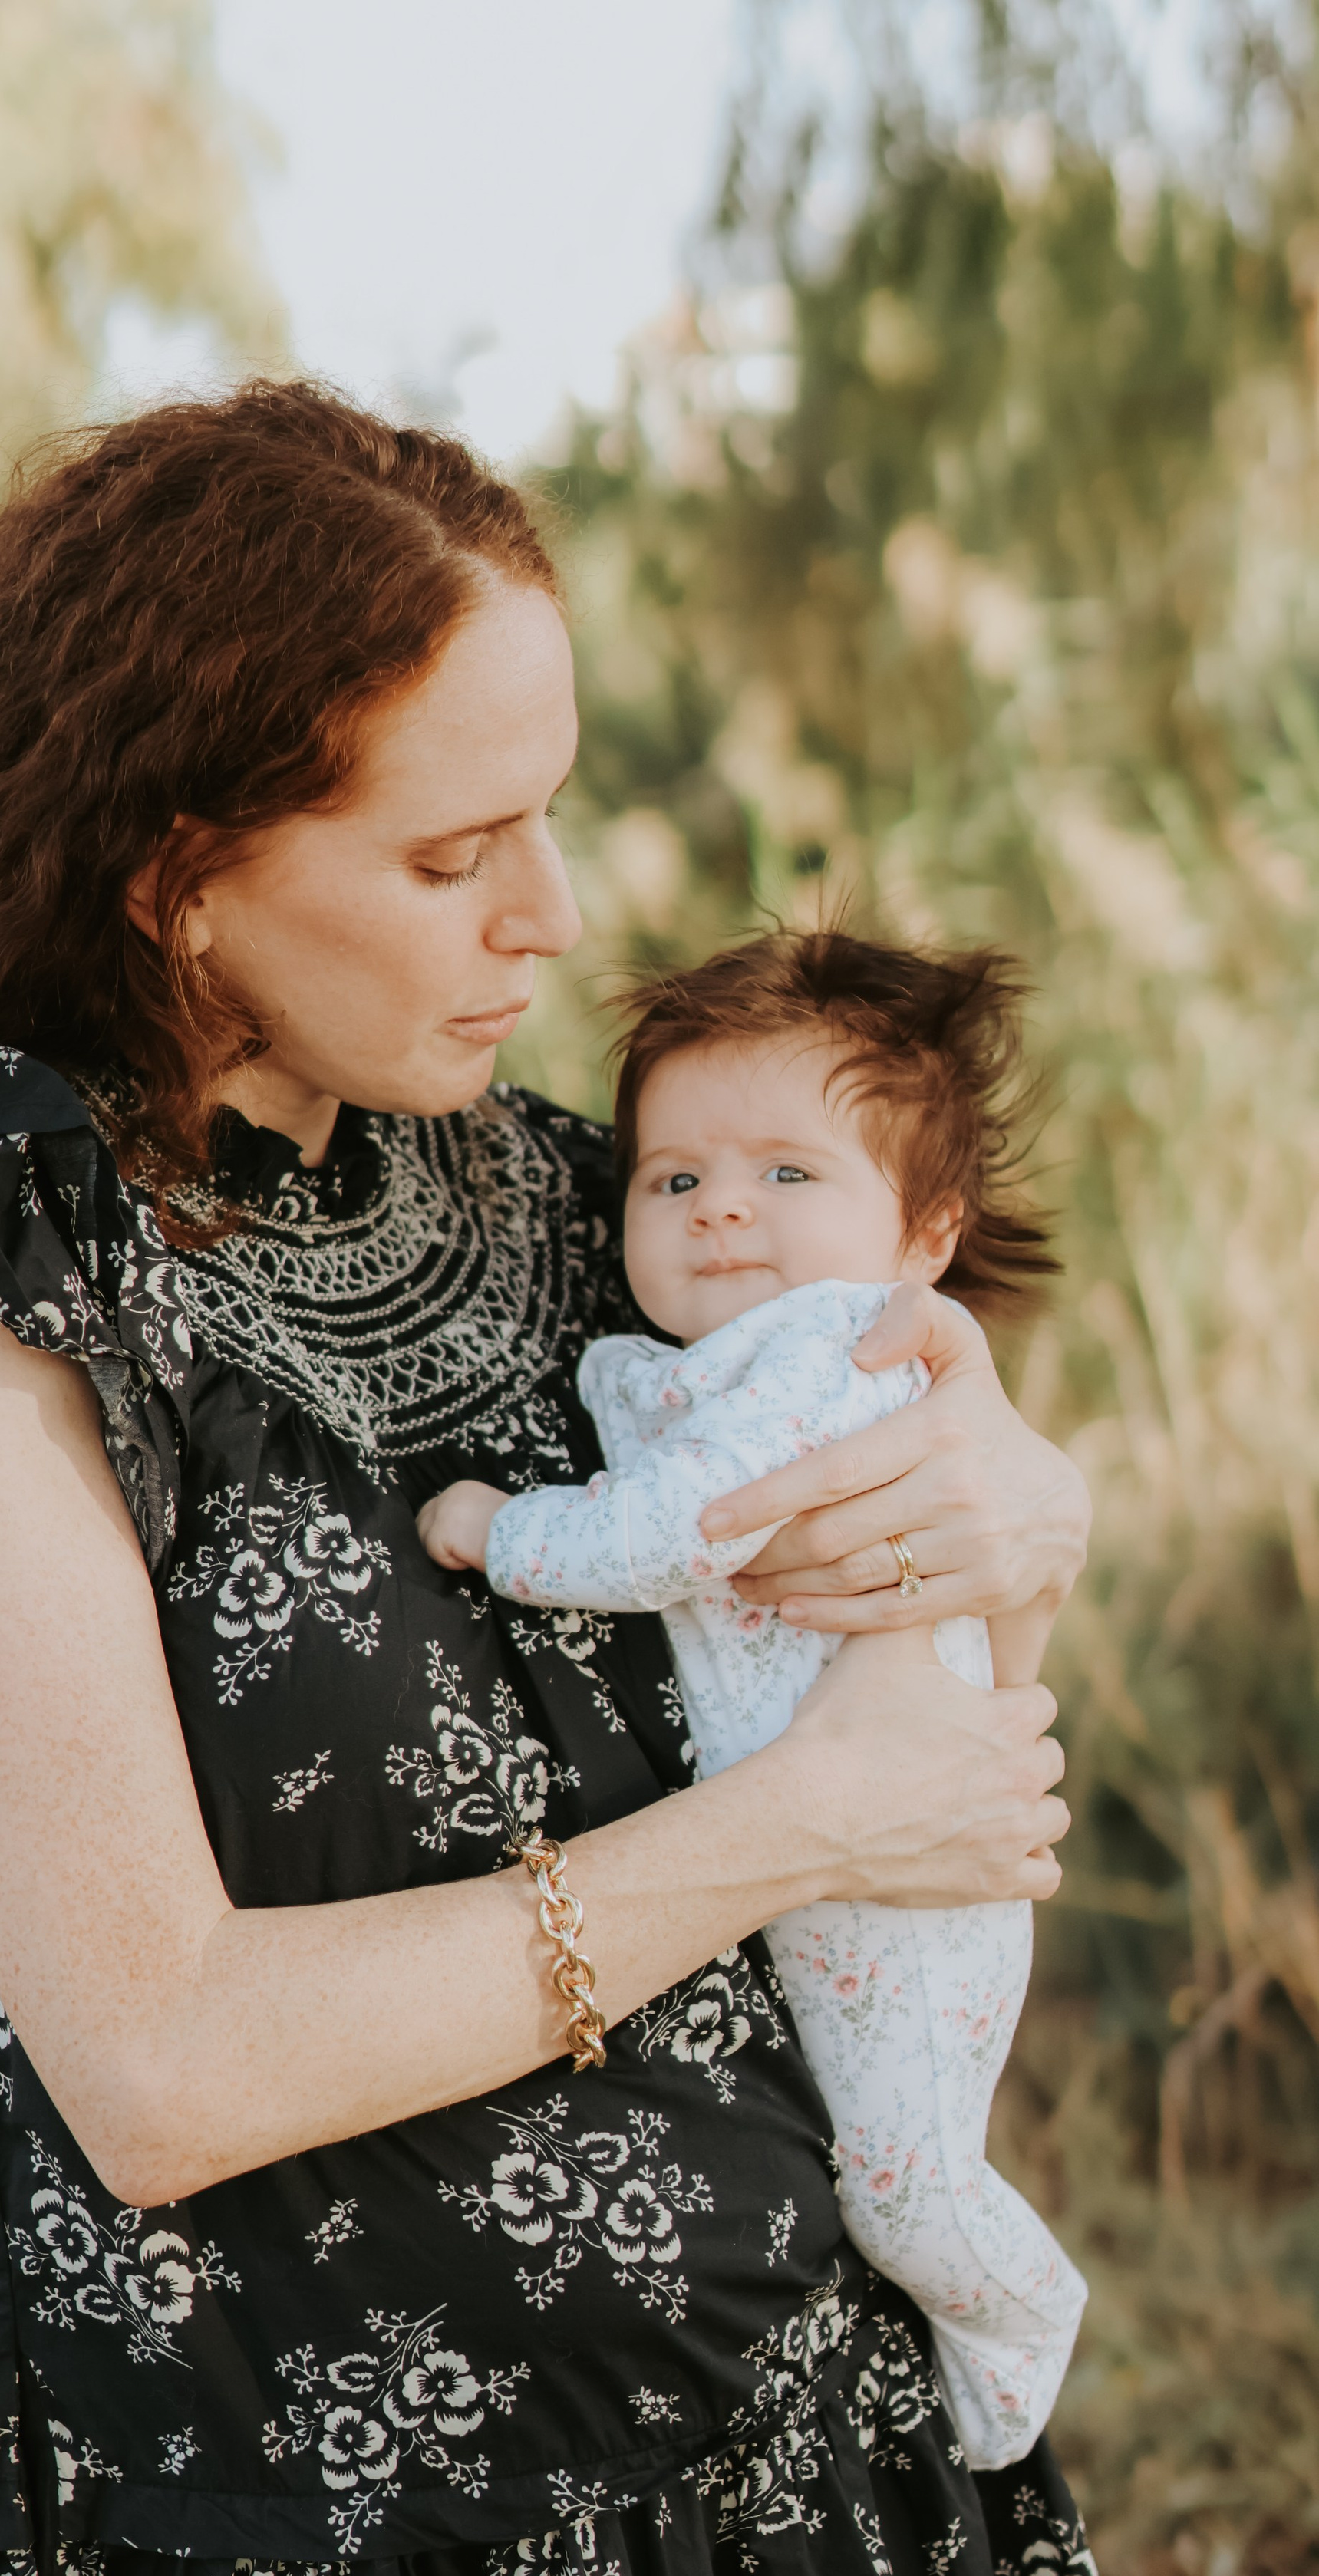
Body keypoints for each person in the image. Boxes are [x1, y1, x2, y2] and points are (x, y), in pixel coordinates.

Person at [0, 384, 1200, 2576]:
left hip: (770, 2509)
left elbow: (851, 1486)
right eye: (454, 852)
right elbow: (166, 2063)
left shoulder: (537, 1185)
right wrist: (798, 1834)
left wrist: (1020, 1491)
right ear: (176, 872)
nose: (551, 914)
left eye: (545, 808)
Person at [415, 932, 1089, 2472]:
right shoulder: (730, 1359)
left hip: (898, 1882)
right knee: (870, 2133)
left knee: (905, 2168)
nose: (720, 1204)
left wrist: (495, 1534)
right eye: (674, 1180)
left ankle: (1015, 2328)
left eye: (788, 1175)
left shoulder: (812, 1357)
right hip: (842, 1838)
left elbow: (681, 1532)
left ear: (923, 1232)